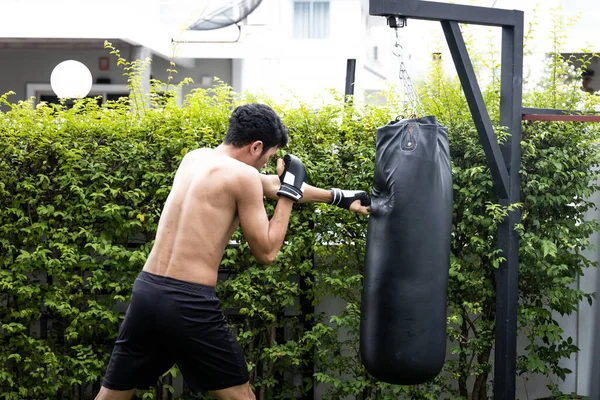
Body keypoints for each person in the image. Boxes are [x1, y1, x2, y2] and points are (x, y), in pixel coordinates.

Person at [95, 103, 371, 400]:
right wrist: (288, 197)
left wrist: (340, 198)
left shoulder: (195, 159)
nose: (267, 164)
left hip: (148, 292)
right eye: (268, 157)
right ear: (255, 147)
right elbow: (267, 253)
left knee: (112, 396)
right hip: (188, 302)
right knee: (242, 397)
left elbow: (271, 184)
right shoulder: (243, 176)